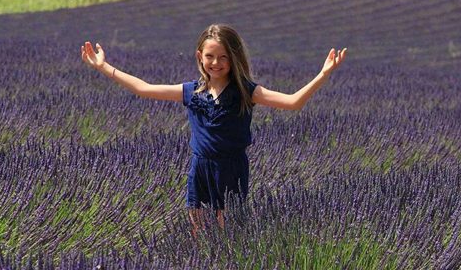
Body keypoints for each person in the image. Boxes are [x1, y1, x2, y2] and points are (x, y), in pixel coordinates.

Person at [80, 23, 346, 238]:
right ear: (200, 57)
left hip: (231, 169)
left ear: (234, 59)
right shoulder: (192, 92)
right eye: (210, 56)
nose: (215, 63)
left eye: (223, 57)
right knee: (198, 231)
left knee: (229, 233)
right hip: (201, 168)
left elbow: (293, 102)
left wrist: (323, 74)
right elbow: (143, 88)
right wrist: (103, 66)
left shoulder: (246, 92)